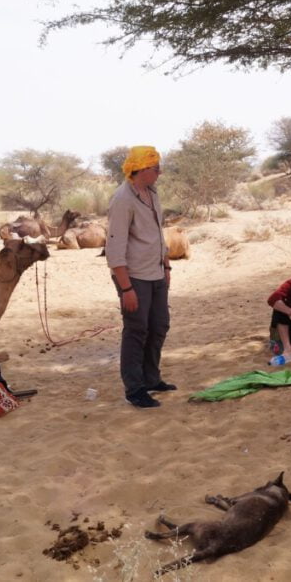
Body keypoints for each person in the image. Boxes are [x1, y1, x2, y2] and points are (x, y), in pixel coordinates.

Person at [105, 146, 174, 408]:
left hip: (156, 272)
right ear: (142, 170)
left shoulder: (152, 193)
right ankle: (135, 389)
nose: (160, 172)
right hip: (134, 277)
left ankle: (151, 378)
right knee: (136, 331)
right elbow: (114, 248)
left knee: (159, 326)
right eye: (156, 168)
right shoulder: (123, 199)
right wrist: (126, 289)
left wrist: (166, 266)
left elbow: (158, 234)